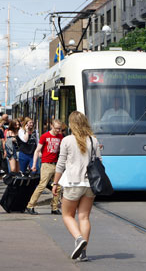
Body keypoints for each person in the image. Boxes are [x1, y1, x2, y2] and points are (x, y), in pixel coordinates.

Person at [52, 111, 100, 261]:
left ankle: (79, 239)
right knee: (84, 217)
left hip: (73, 183)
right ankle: (83, 253)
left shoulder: (67, 140)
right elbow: (99, 162)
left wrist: (55, 183)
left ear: (72, 124)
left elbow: (60, 164)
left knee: (67, 215)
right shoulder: (94, 140)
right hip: (90, 184)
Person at [26, 119, 64, 215]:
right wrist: (34, 165)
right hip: (46, 164)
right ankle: (30, 206)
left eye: (59, 129)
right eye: (56, 129)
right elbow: (37, 150)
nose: (58, 131)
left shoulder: (60, 136)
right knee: (42, 186)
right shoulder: (45, 136)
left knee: (58, 187)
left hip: (56, 164)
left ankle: (54, 207)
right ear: (51, 126)